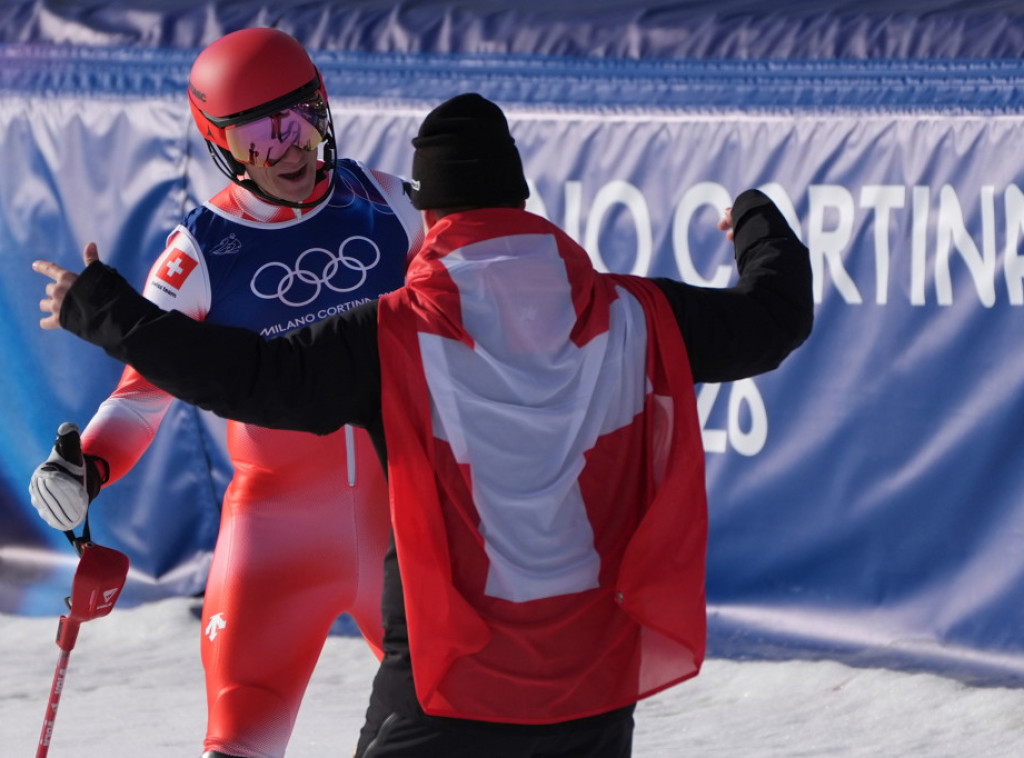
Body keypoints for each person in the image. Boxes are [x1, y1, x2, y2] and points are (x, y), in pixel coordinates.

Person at [34, 93, 813, 757]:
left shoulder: (392, 334)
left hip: (456, 684)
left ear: (429, 211)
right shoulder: (636, 312)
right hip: (593, 689)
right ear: (520, 196)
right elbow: (774, 320)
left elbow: (249, 378)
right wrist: (757, 225)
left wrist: (104, 310)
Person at [28, 27, 424, 758]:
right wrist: (90, 465)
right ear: (220, 146)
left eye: (298, 121)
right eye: (256, 139)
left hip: (403, 524)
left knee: (461, 725)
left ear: (324, 111)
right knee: (240, 740)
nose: (286, 149)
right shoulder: (198, 252)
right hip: (273, 537)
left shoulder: (394, 205)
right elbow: (144, 394)